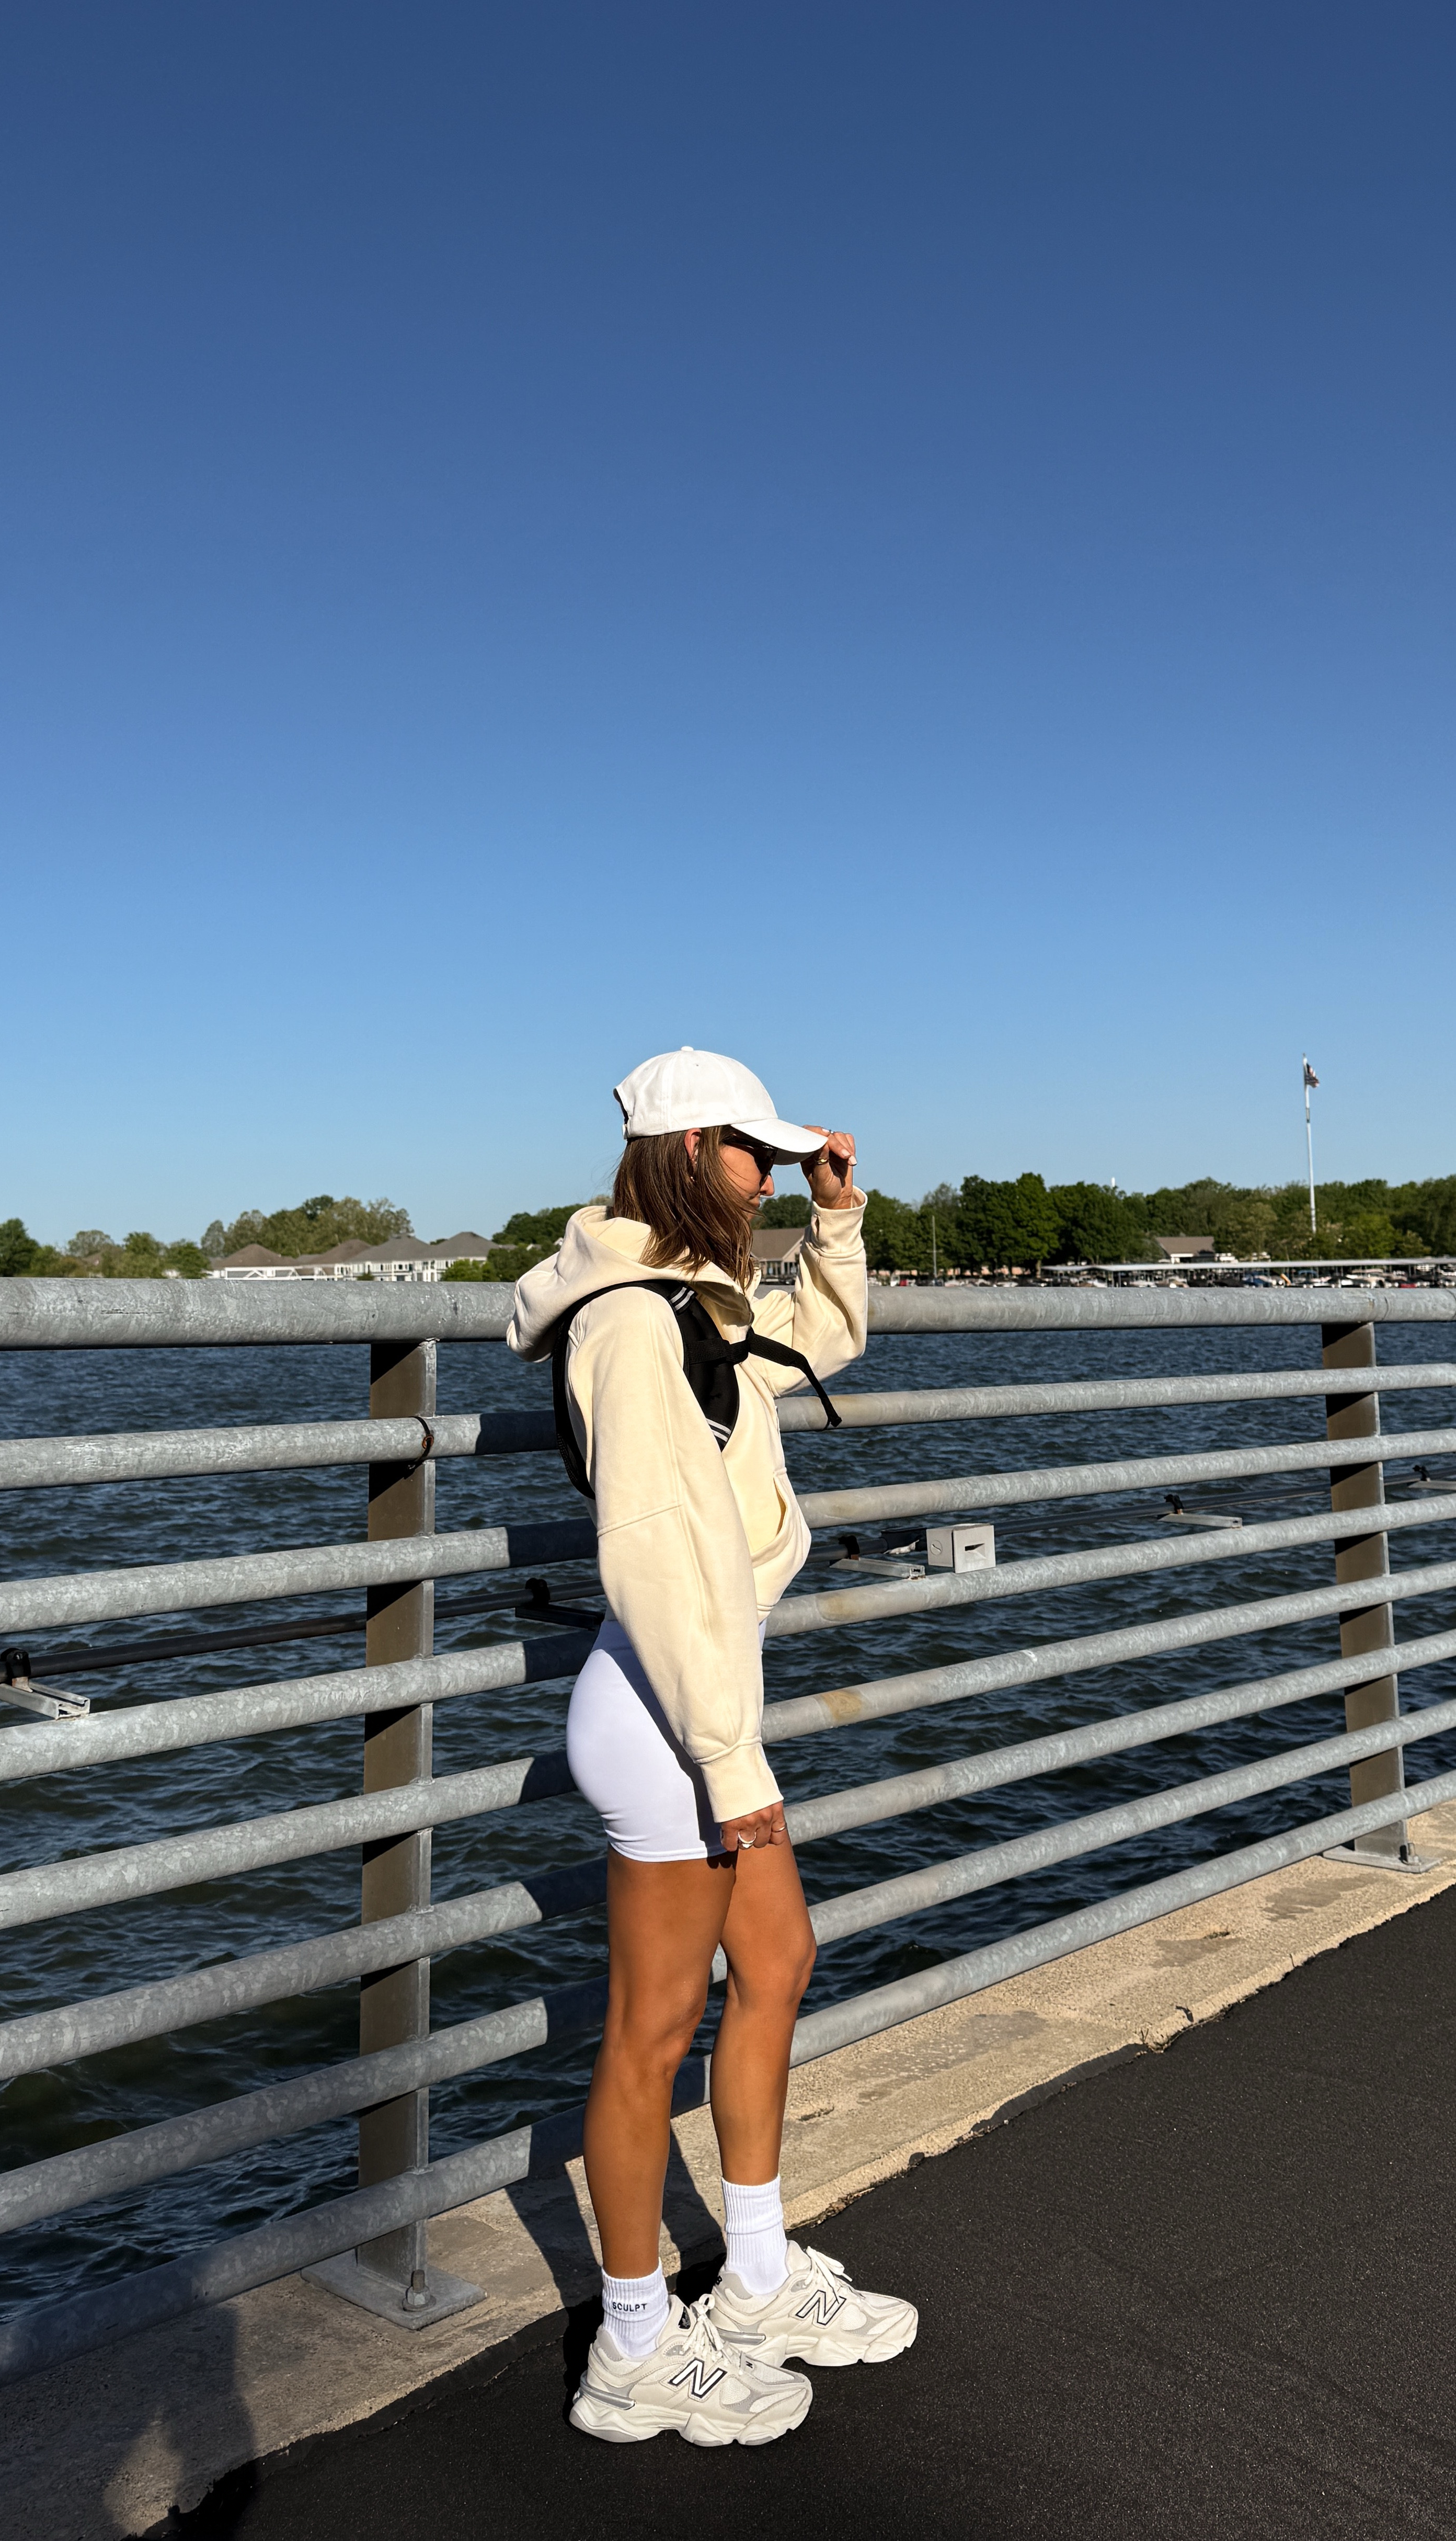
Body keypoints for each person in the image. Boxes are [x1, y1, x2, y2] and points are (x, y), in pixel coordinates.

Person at [509, 1046, 917, 2448]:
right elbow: (660, 1564)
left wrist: (839, 1219)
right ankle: (629, 2344)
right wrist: (734, 1776)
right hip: (671, 1713)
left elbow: (819, 1336)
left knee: (781, 1962)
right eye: (754, 1152)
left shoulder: (694, 1297)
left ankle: (748, 2275)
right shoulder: (627, 1325)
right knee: (648, 2035)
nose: (769, 1174)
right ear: (691, 1149)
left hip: (707, 1697)